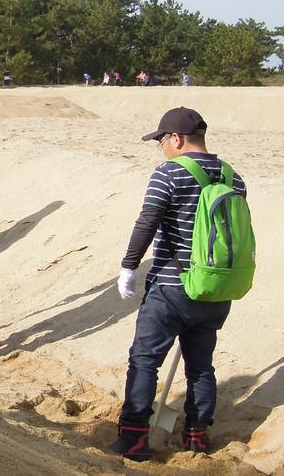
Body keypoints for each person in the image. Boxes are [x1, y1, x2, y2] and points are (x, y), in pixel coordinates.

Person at [108, 107, 246, 461]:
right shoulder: (234, 177)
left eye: (162, 140)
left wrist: (128, 267)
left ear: (178, 139)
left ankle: (135, 437)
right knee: (201, 366)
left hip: (172, 287)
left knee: (144, 360)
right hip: (218, 288)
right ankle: (197, 436)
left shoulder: (168, 174)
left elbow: (148, 220)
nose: (161, 148)